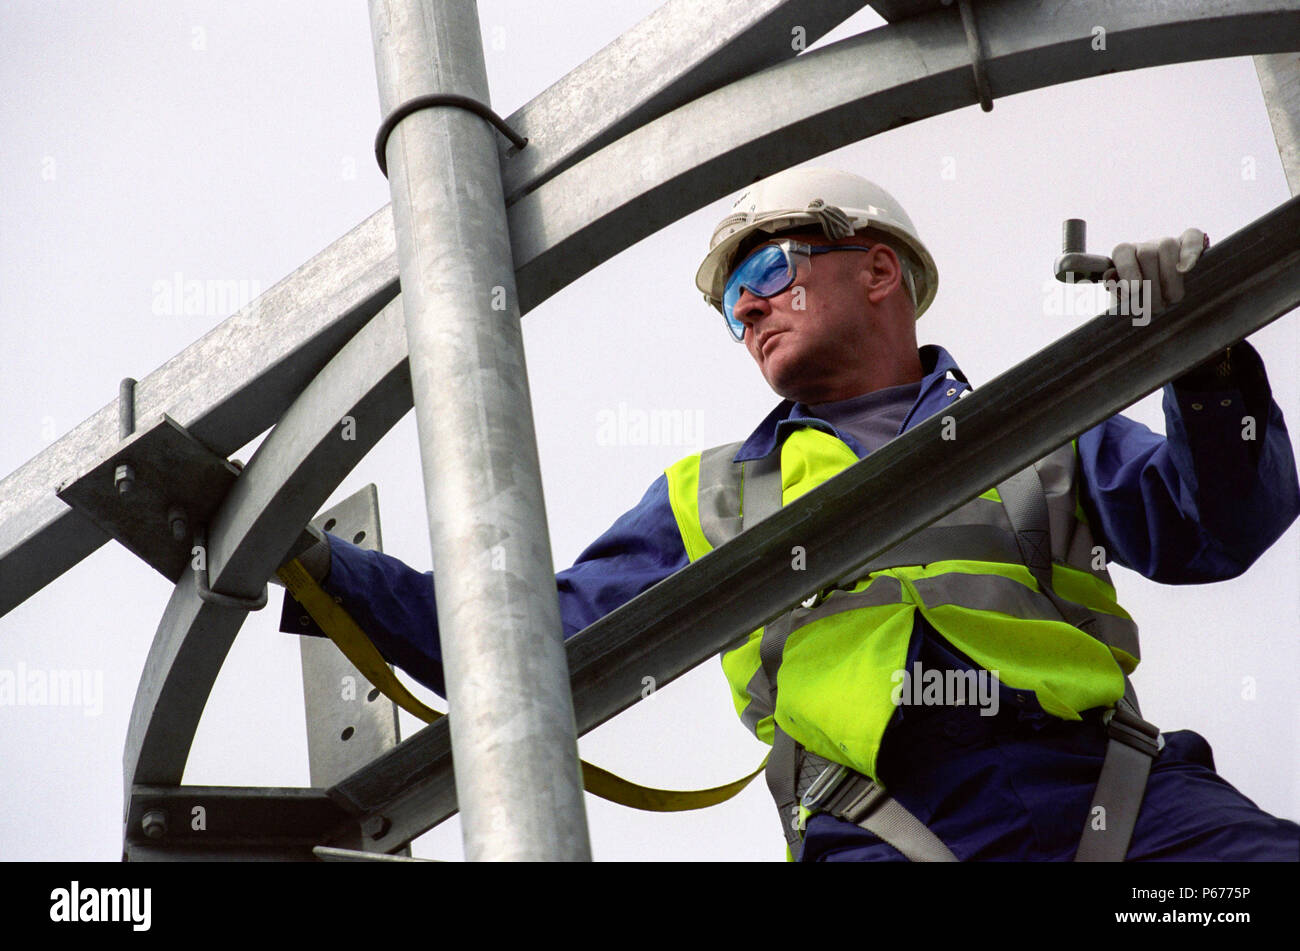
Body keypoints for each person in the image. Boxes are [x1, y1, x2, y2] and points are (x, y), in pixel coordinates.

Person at [280, 167, 1300, 861]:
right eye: (733, 306)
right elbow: (523, 644)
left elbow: (1218, 526)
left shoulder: (1035, 426)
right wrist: (325, 571)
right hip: (881, 829)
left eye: (768, 271)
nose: (749, 312)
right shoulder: (711, 493)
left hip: (1104, 797)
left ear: (876, 269)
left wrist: (1202, 366)